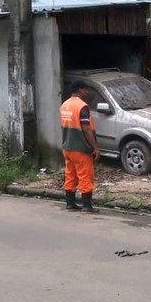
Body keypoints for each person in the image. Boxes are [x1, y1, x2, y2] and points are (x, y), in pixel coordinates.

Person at [60, 80, 101, 212]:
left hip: (67, 147)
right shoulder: (82, 106)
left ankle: (70, 204)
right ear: (79, 90)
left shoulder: (64, 105)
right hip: (80, 148)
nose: (87, 92)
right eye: (85, 89)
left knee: (70, 175)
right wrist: (95, 147)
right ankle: (87, 206)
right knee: (85, 176)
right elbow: (86, 128)